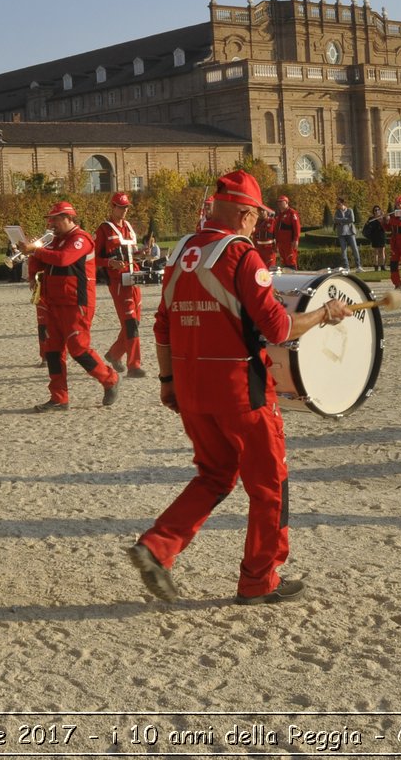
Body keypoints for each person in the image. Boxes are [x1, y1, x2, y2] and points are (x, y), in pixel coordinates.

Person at [127, 170, 353, 605]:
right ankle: (259, 580)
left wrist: (168, 381)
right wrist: (324, 314)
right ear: (246, 213)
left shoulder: (182, 251)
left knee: (214, 475)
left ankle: (157, 546)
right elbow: (280, 327)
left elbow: (162, 325)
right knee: (270, 484)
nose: (257, 225)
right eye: (256, 217)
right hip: (241, 390)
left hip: (192, 388)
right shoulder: (242, 255)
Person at [21, 200, 120, 412]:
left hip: (76, 303)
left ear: (68, 218)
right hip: (54, 302)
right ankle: (59, 398)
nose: (51, 223)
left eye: (55, 219)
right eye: (51, 219)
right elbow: (40, 260)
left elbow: (64, 259)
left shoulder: (80, 239)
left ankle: (110, 379)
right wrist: (32, 269)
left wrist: (36, 251)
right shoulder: (55, 239)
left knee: (78, 348)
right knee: (53, 351)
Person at [95, 191, 148, 379]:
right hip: (118, 281)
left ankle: (114, 354)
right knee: (130, 323)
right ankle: (134, 365)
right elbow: (95, 258)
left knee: (136, 322)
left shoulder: (128, 227)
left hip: (134, 277)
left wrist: (144, 252)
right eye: (121, 207)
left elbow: (132, 253)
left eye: (126, 207)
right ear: (113, 207)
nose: (125, 210)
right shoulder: (104, 229)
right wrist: (109, 263)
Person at [272, 195, 302, 270]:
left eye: (281, 202)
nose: (279, 204)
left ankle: (294, 278)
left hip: (289, 243)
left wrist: (296, 239)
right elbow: (276, 230)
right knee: (284, 262)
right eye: (278, 202)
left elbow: (297, 227)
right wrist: (276, 241)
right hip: (281, 244)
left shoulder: (292, 213)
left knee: (291, 261)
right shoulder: (279, 215)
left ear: (286, 202)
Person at [333, 198, 362, 270]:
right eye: (337, 204)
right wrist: (346, 220)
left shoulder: (350, 210)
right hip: (341, 233)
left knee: (355, 249)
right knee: (343, 251)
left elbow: (352, 220)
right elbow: (335, 219)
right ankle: (346, 267)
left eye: (338, 204)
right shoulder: (337, 212)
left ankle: (358, 266)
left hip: (350, 232)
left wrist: (341, 221)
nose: (337, 205)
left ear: (343, 203)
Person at [363, 205, 386, 271]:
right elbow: (367, 226)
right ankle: (376, 266)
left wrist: (383, 218)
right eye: (375, 210)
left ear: (380, 210)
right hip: (375, 236)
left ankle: (382, 266)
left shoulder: (382, 218)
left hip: (381, 235)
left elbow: (386, 225)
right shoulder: (371, 219)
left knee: (382, 251)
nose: (377, 211)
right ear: (373, 212)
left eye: (378, 209)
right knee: (376, 252)